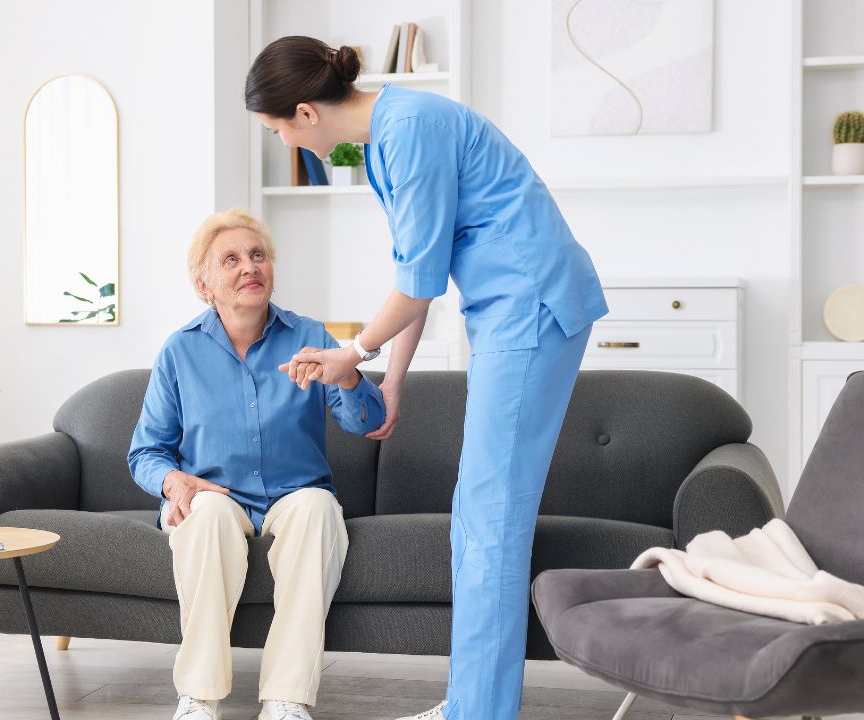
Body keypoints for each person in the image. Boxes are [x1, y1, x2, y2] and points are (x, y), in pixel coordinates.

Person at [244, 37, 608, 720]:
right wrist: (393, 380)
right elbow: (421, 272)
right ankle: (473, 703)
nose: (292, 147)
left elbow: (414, 287)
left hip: (531, 303)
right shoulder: (386, 140)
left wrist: (353, 354)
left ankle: (478, 711)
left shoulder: (407, 132)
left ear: (303, 113)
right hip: (509, 308)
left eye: (279, 133)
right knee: (481, 511)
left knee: (489, 514)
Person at [128, 209, 386, 720]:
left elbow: (368, 423)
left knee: (316, 510)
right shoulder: (180, 352)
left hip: (296, 495)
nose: (249, 267)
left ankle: (286, 700)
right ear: (205, 285)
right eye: (231, 260)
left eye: (257, 255)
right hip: (217, 497)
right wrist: (174, 482)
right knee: (205, 517)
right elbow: (146, 452)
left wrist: (350, 376)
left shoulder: (308, 335)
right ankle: (198, 700)